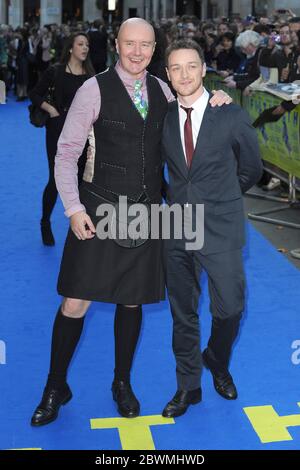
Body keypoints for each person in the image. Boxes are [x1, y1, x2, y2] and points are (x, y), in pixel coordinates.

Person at [30, 19, 232, 427]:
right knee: (75, 301)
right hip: (98, 209)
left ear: (155, 47)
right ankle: (55, 386)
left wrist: (218, 99)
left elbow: (193, 103)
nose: (137, 52)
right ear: (117, 45)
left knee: (132, 300)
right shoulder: (93, 89)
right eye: (129, 44)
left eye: (145, 45)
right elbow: (66, 154)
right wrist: (72, 209)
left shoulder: (162, 89)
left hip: (143, 213)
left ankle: (121, 382)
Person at [161, 39, 263, 418]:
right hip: (176, 227)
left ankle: (216, 359)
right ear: (168, 75)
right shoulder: (165, 117)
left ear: (204, 69)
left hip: (220, 225)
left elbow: (251, 168)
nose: (184, 75)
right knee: (183, 313)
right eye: (176, 68)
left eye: (191, 66)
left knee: (231, 305)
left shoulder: (230, 113)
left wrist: (223, 197)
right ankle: (188, 387)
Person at [29, 32, 94, 246]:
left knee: (81, 180)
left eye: (87, 45)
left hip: (83, 134)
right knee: (56, 180)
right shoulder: (55, 71)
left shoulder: (90, 75)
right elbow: (35, 94)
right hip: (57, 131)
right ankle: (45, 222)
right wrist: (52, 110)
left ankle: (81, 225)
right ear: (70, 48)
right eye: (80, 44)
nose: (85, 48)